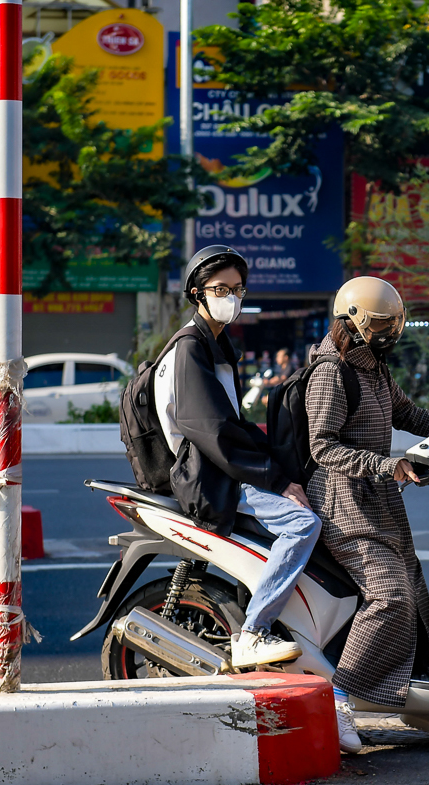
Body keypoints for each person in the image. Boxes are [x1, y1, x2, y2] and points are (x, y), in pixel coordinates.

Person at [305, 276, 429, 753]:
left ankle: (417, 702)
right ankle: (339, 694)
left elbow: (409, 416)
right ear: (352, 320)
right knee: (391, 595)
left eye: (393, 322)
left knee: (415, 591)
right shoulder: (331, 372)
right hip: (342, 499)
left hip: (378, 496)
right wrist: (386, 464)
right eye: (378, 323)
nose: (389, 331)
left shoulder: (373, 367)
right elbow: (322, 447)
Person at [154, 244, 321, 669]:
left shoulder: (216, 345)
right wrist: (276, 479)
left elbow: (232, 425)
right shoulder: (191, 348)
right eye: (222, 288)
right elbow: (212, 432)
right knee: (303, 523)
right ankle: (253, 632)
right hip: (210, 476)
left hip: (220, 466)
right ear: (197, 293)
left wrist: (279, 461)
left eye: (238, 289)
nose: (232, 297)